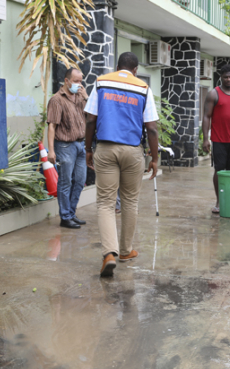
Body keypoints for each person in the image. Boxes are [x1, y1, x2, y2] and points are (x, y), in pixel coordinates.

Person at [84, 52, 159, 277]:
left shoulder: (101, 82)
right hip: (133, 151)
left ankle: (109, 253)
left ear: (117, 67)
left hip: (106, 148)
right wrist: (154, 158)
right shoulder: (143, 88)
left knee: (106, 203)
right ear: (135, 70)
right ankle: (125, 251)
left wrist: (88, 149)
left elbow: (90, 120)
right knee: (129, 201)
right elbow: (152, 128)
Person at [46, 68, 89, 229]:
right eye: (76, 81)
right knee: (65, 182)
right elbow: (52, 126)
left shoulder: (80, 97)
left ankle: (71, 213)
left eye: (81, 81)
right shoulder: (57, 100)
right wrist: (51, 150)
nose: (79, 84)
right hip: (64, 145)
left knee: (80, 180)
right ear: (67, 81)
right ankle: (65, 216)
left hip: (80, 144)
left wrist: (86, 97)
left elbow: (91, 116)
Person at [202, 65, 230, 214]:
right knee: (219, 171)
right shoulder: (214, 94)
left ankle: (229, 199)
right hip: (218, 139)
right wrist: (205, 139)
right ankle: (219, 201)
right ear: (221, 77)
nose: (228, 79)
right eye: (226, 77)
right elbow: (206, 116)